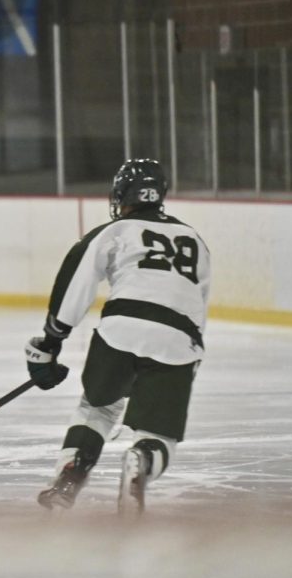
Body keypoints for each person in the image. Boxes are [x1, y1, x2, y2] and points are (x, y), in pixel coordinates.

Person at [25, 158, 211, 513]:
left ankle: (69, 478)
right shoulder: (195, 240)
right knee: (159, 437)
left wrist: (51, 342)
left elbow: (75, 281)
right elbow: (198, 305)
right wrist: (191, 360)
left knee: (97, 409)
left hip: (121, 329)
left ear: (121, 195)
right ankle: (140, 461)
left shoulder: (117, 230)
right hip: (179, 340)